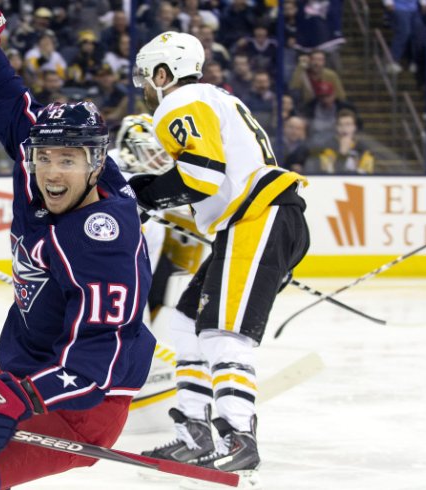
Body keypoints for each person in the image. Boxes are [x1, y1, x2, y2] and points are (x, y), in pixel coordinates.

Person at [0, 1, 156, 488]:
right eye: (45, 158)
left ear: (96, 163)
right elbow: (7, 104)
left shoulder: (103, 238)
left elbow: (96, 359)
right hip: (33, 374)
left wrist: (19, 395)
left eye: (68, 159)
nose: (53, 171)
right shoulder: (37, 168)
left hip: (83, 405)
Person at [130, 31, 309, 484]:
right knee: (186, 324)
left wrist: (142, 195)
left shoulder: (180, 102)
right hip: (252, 224)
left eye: (147, 78)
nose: (145, 89)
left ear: (163, 73)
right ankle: (197, 434)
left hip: (258, 222)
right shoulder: (213, 98)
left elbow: (202, 178)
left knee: (223, 335)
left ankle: (238, 441)